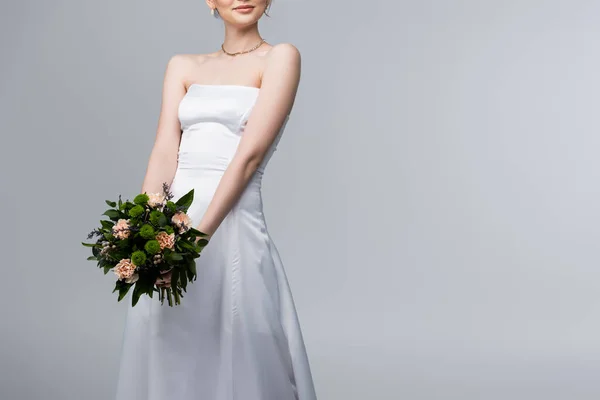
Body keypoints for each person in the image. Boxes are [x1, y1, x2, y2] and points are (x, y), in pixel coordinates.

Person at [114, 1, 318, 399]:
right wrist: (142, 235)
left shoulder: (281, 58)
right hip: (174, 229)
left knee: (242, 346)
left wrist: (195, 243)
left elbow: (248, 158)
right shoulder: (183, 66)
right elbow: (164, 150)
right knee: (167, 343)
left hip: (231, 225)